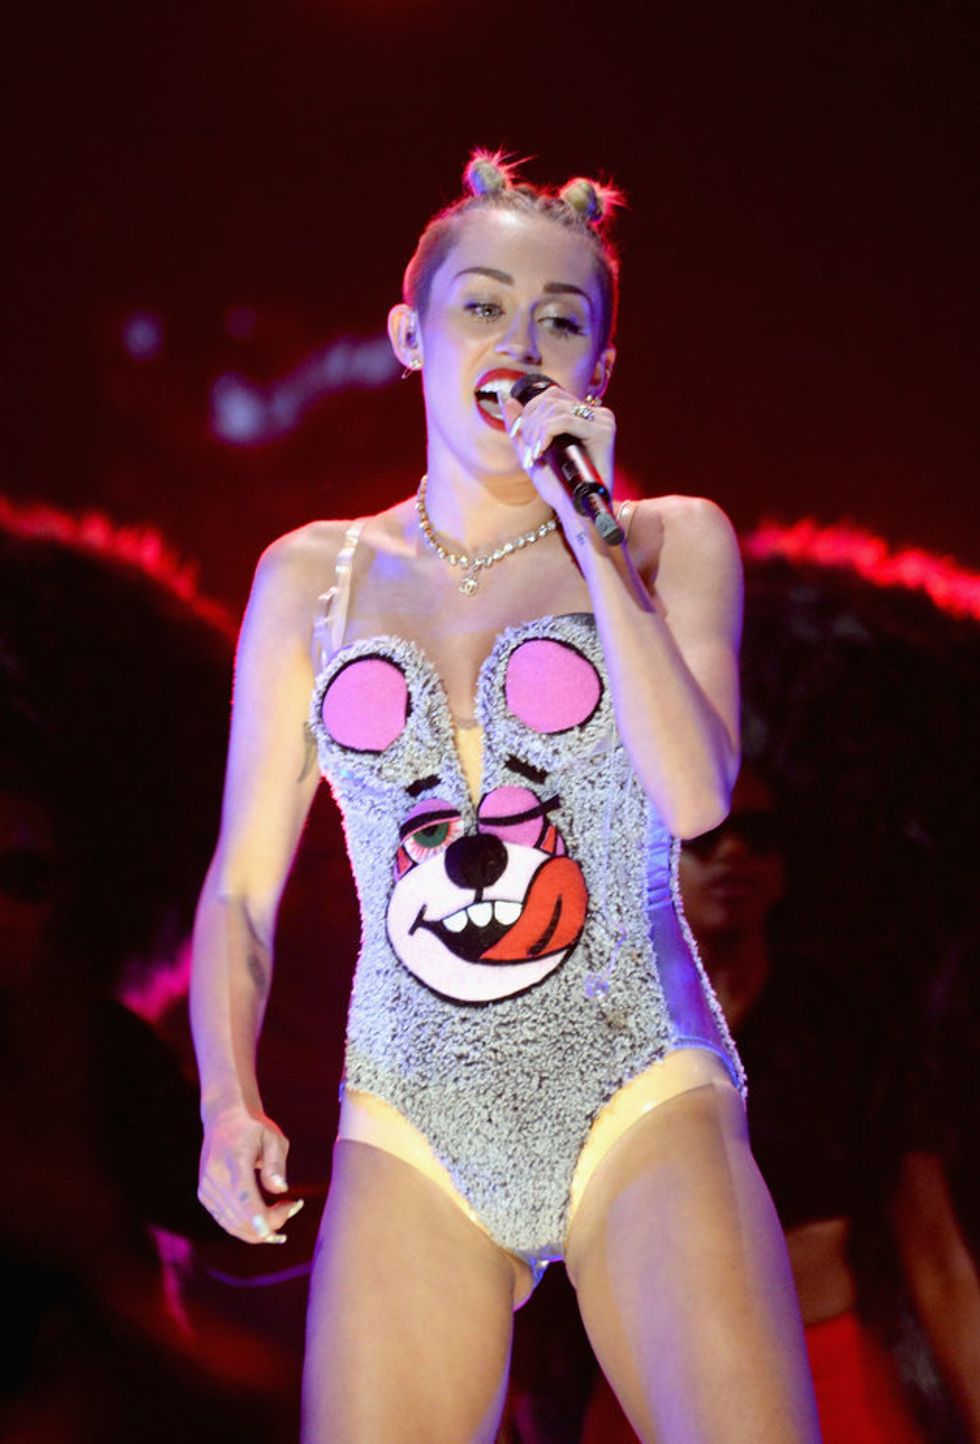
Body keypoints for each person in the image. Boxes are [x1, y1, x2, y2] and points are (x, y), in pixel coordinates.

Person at [191, 151, 821, 1443]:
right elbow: (242, 891)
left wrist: (591, 531)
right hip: (411, 1116)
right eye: (482, 305)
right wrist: (224, 1100)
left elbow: (694, 796)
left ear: (599, 368)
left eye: (561, 320)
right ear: (408, 337)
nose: (519, 341)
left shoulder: (668, 540)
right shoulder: (313, 578)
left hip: (639, 1081)